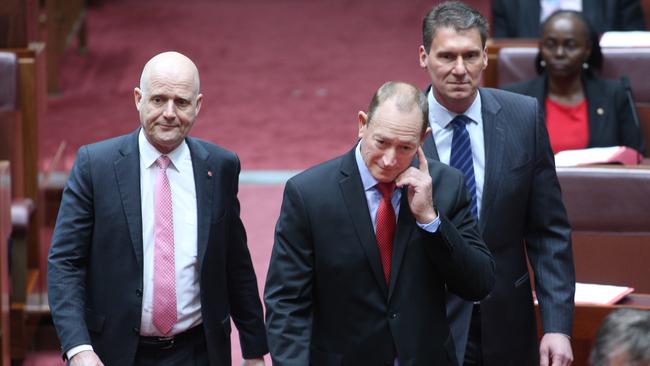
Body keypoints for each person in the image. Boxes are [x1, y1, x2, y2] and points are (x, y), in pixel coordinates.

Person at [47, 51, 268, 366]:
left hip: (198, 352)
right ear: (138, 98)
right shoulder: (95, 166)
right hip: (114, 352)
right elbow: (65, 263)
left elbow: (235, 263)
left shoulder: (220, 167)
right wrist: (78, 347)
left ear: (198, 105)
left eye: (181, 102)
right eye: (158, 100)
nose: (169, 113)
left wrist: (254, 349)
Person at [264, 81, 495, 365]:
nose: (389, 160)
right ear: (362, 124)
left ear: (423, 139)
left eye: (405, 147)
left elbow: (478, 283)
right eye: (382, 142)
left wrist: (430, 220)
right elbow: (286, 304)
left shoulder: (446, 186)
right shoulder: (310, 195)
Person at [418, 2, 575, 365]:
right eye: (447, 56)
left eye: (471, 55)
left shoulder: (524, 117)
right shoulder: (398, 126)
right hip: (426, 324)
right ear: (424, 56)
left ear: (486, 57)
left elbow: (549, 231)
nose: (460, 69)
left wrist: (557, 325)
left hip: (506, 321)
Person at [502, 10, 645, 154]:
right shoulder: (514, 98)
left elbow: (635, 156)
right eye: (550, 45)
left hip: (599, 177)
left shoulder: (615, 95)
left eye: (570, 45)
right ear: (541, 47)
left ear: (587, 49)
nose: (559, 53)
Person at [491, 0, 646, 38]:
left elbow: (633, 53)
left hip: (601, 87)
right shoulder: (509, 3)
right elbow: (501, 58)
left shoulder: (616, 3)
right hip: (529, 89)